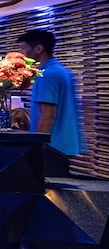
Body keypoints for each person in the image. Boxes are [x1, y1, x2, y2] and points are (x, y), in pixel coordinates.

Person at [17, 30, 87, 176]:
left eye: (24, 48)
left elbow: (48, 115)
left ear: (38, 48)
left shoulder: (47, 74)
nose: (22, 53)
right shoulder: (63, 71)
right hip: (65, 143)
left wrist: (37, 146)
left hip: (52, 146)